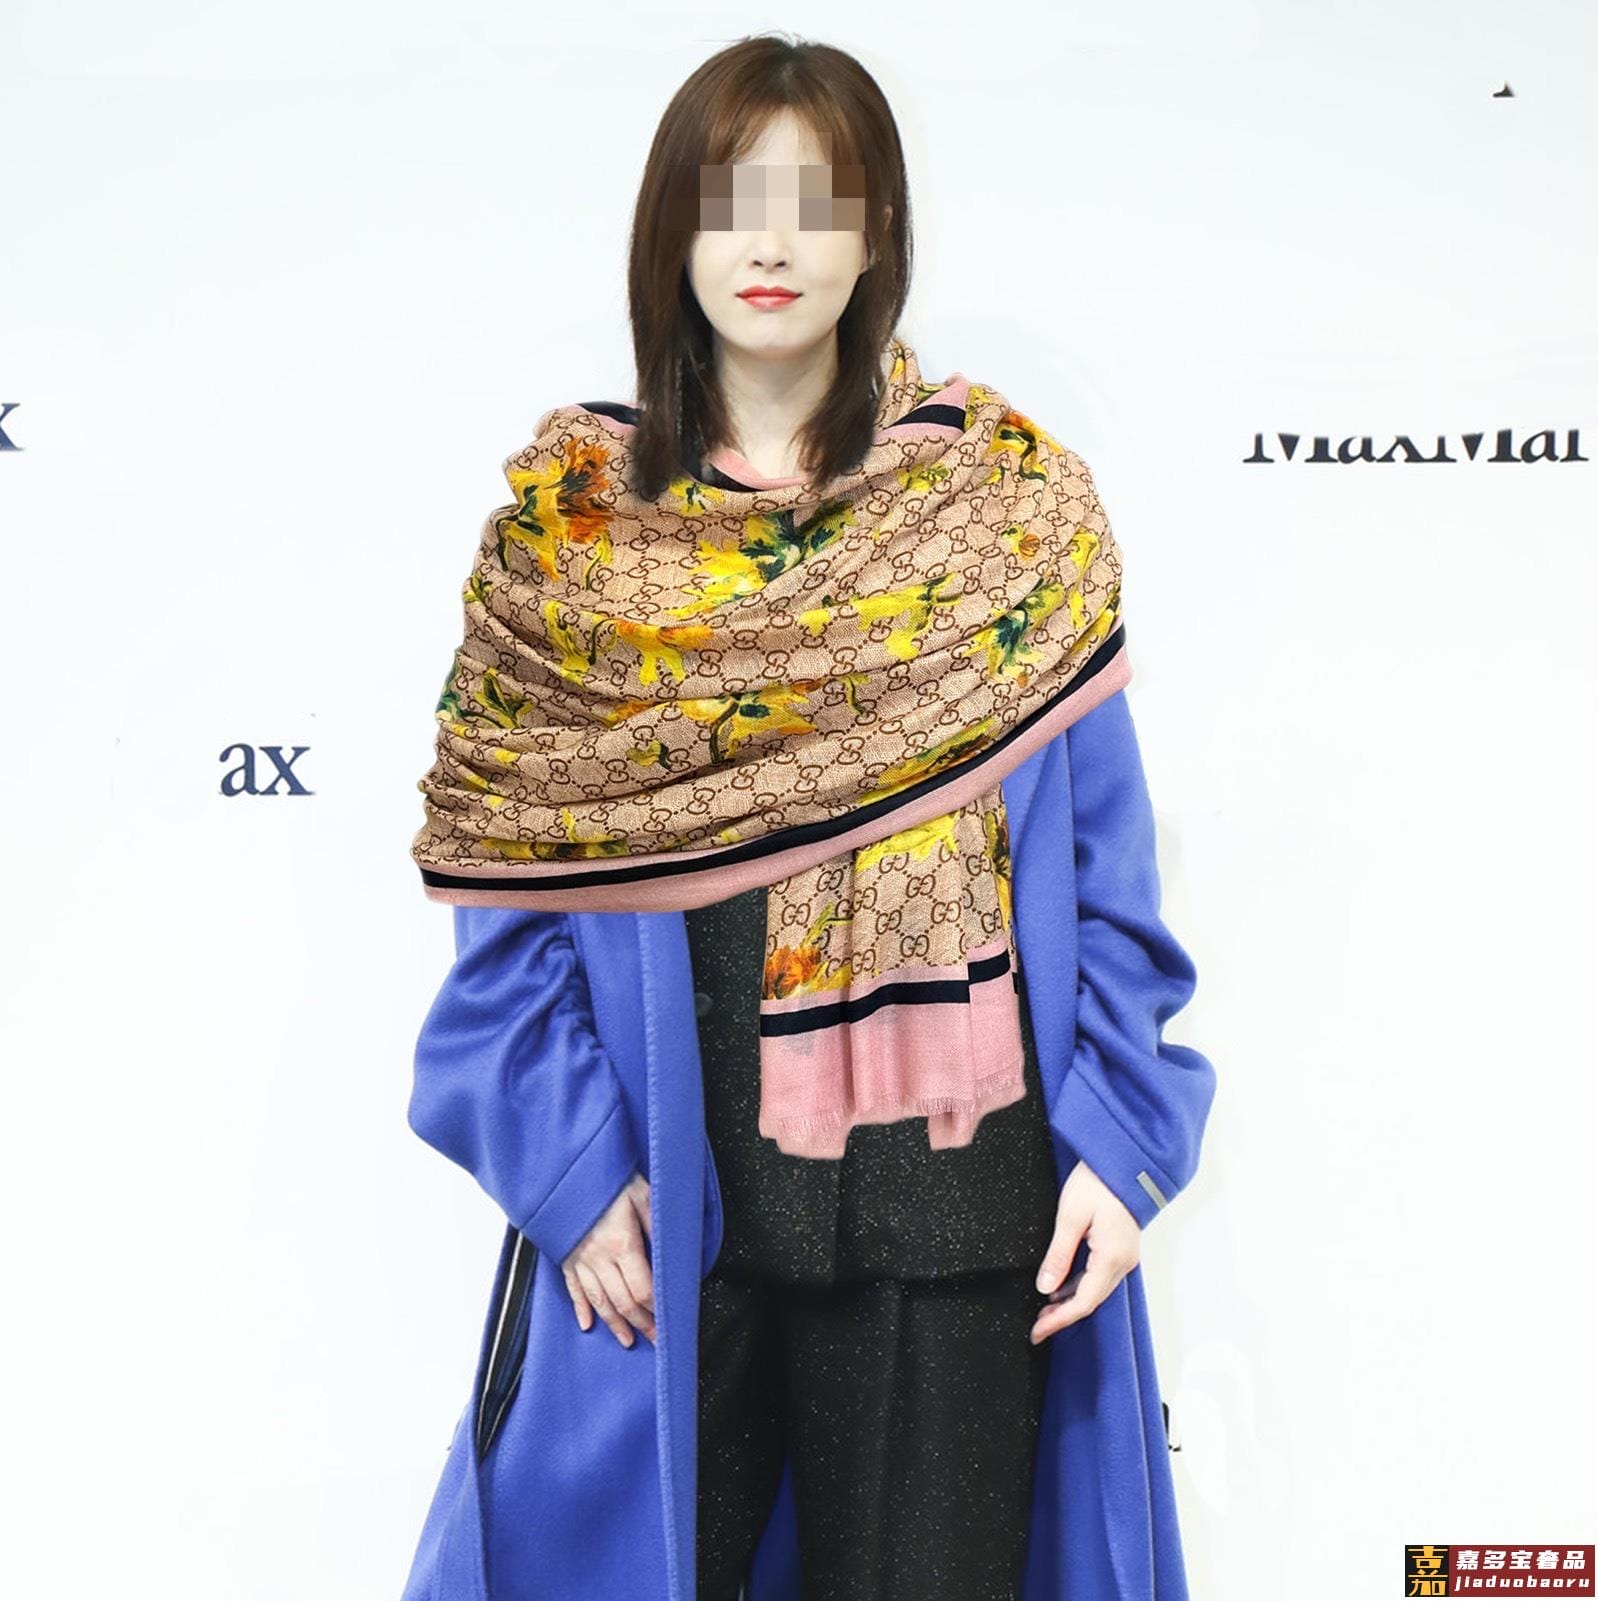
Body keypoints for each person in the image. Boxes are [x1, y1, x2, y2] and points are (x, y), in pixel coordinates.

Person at [399, 32, 1217, 1601]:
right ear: (671, 231)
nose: (767, 244)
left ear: (876, 231)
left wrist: (1119, 1143)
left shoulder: (1003, 516)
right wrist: (569, 1170)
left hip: (962, 1211)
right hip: (674, 1202)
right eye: (729, 201)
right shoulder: (578, 544)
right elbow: (505, 911)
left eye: (810, 200)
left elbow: (1108, 876)